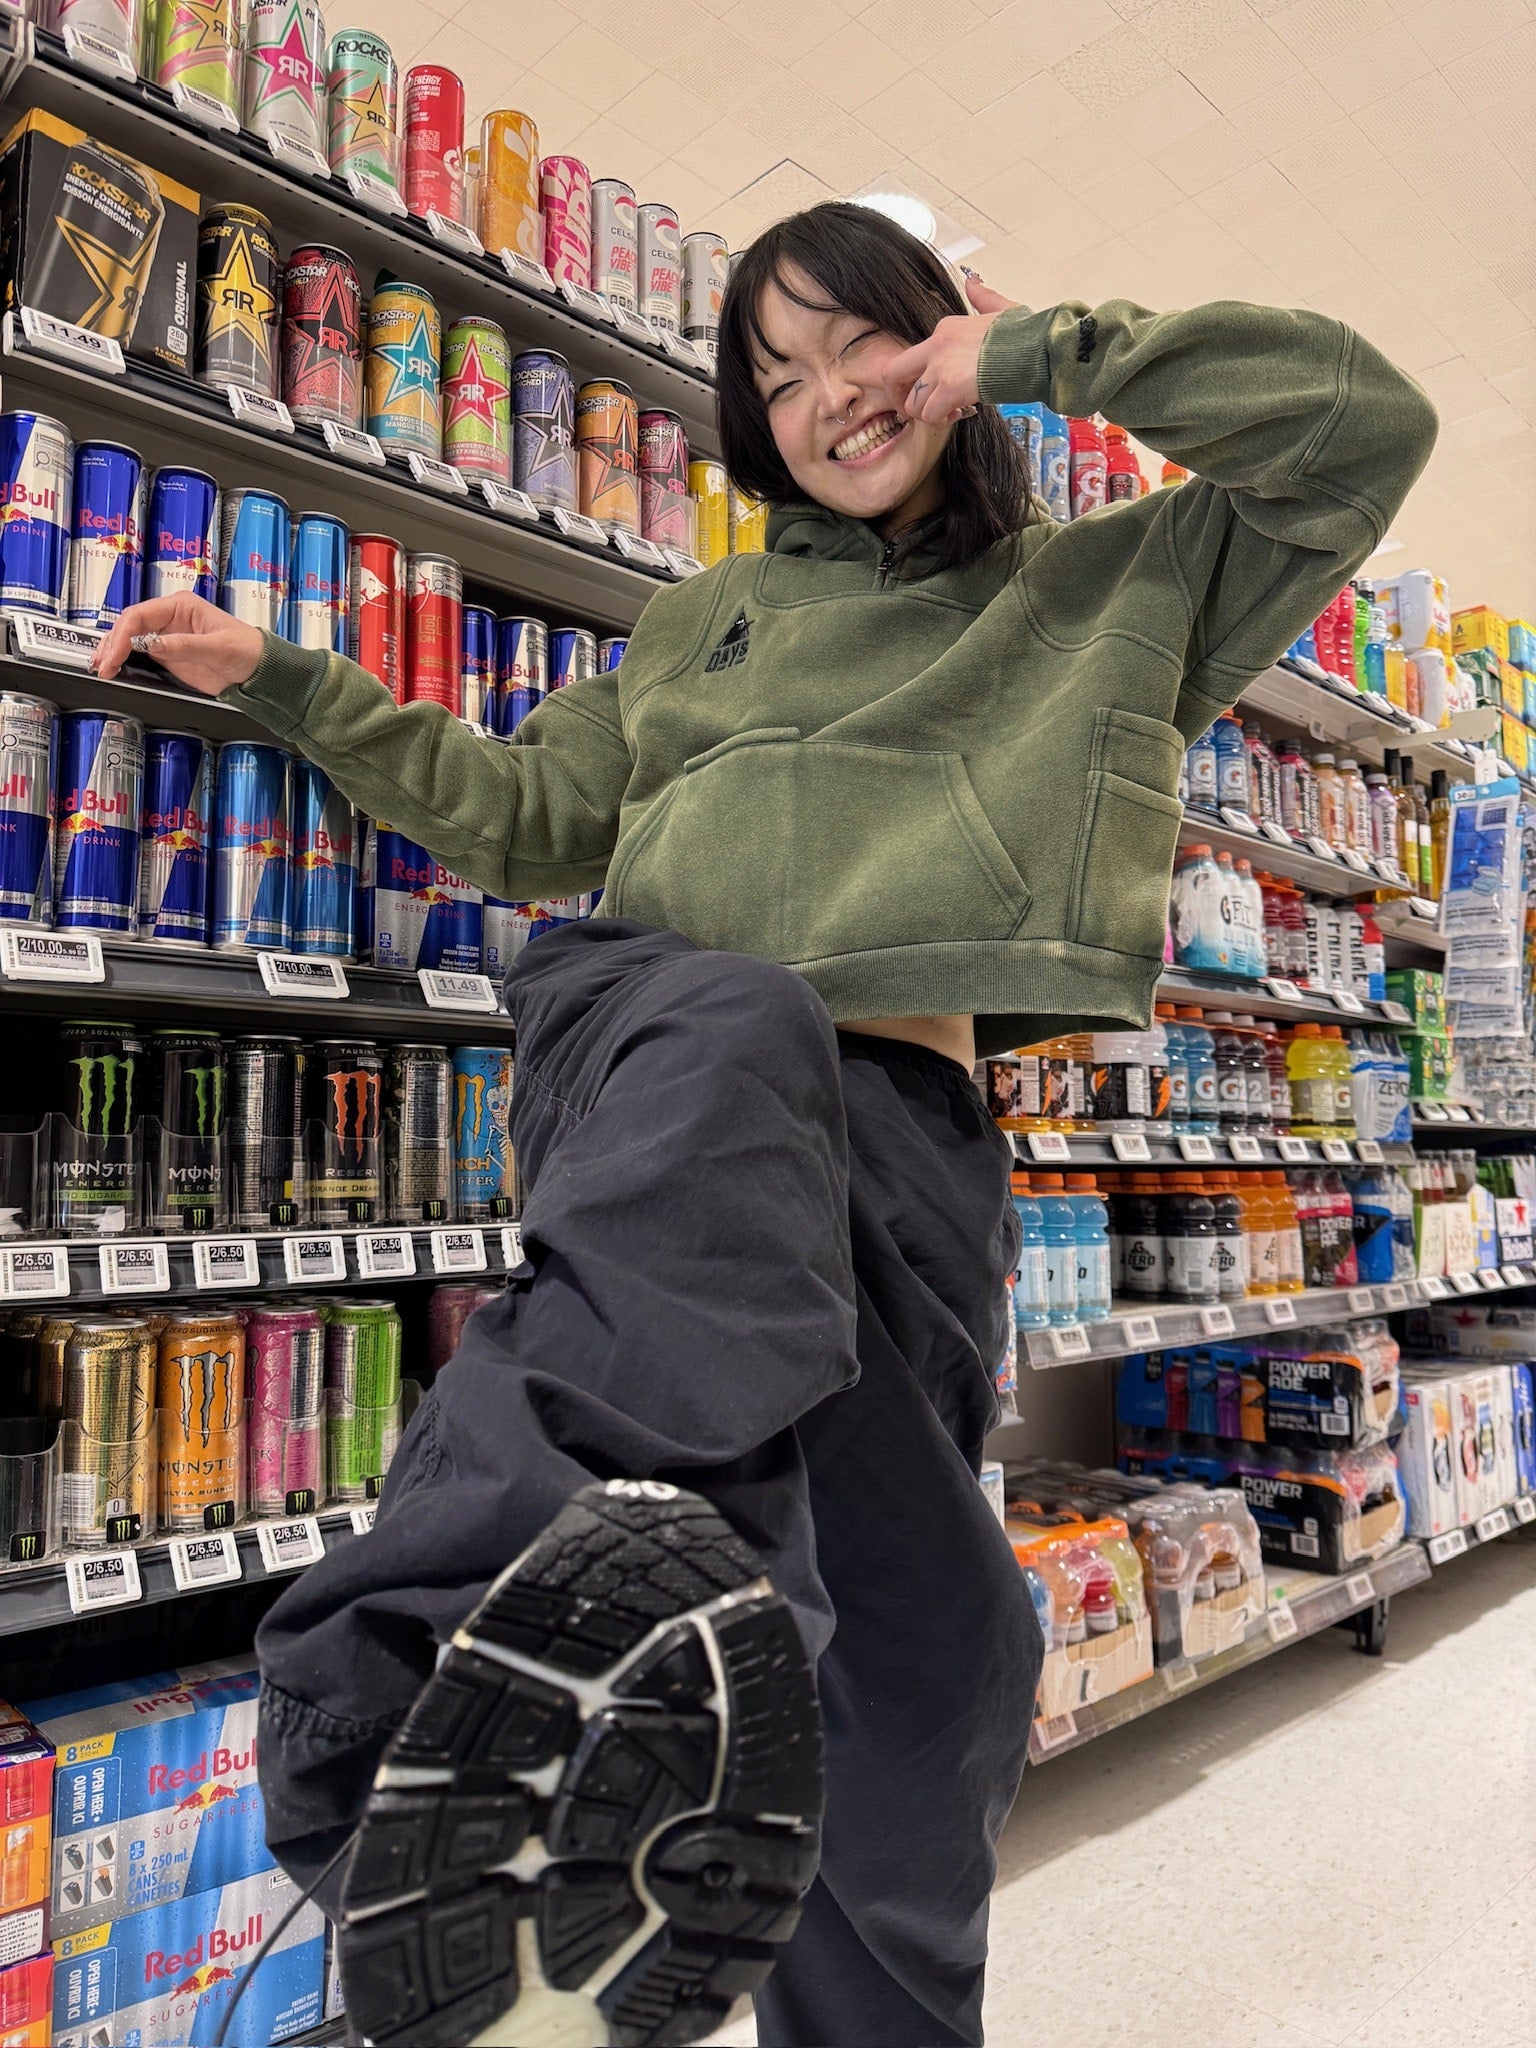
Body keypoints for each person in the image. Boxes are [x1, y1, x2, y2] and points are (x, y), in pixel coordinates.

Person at [94, 201, 1437, 2048]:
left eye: (859, 342)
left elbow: (1362, 432)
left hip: (907, 1143)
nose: (828, 399)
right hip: (663, 1048)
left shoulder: (1105, 595)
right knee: (747, 1021)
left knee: (936, 1667)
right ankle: (419, 1707)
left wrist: (1048, 351)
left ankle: (657, 1915)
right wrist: (289, 679)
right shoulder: (696, 626)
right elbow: (520, 819)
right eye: (778, 376)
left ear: (942, 338)